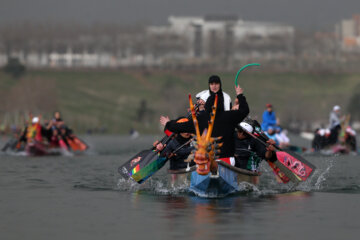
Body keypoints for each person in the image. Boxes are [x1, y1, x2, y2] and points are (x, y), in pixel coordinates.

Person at [163, 84, 249, 162]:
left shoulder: (226, 119)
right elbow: (177, 132)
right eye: (199, 104)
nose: (200, 107)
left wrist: (168, 124)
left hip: (219, 158)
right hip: (202, 158)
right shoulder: (192, 120)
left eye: (202, 104)